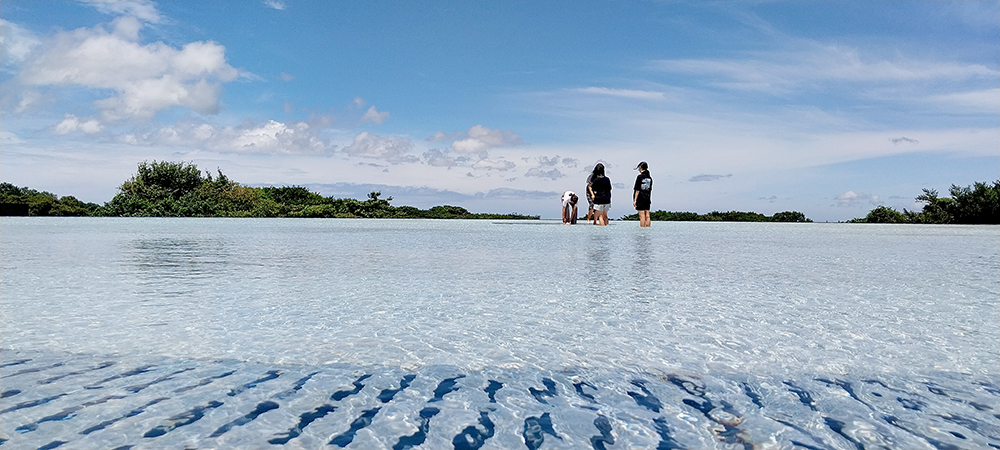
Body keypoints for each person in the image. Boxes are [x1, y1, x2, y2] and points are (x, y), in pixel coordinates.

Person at [633, 161, 652, 227]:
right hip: (647, 198)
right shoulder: (649, 178)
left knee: (642, 216)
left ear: (640, 167)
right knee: (647, 216)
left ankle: (642, 230)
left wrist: (635, 200)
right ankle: (648, 230)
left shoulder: (640, 177)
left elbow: (637, 190)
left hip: (640, 198)